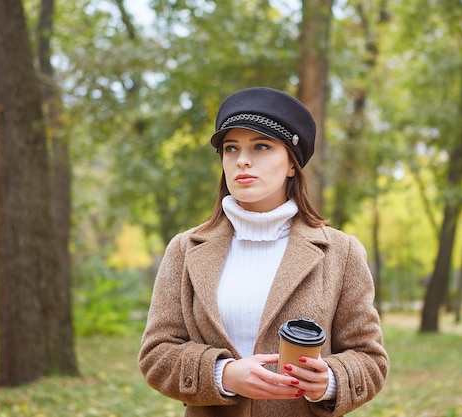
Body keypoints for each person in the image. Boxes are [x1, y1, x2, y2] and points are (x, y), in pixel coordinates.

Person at [138, 87, 389, 417]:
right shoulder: (185, 250)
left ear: (291, 165)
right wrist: (223, 375)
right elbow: (156, 353)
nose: (242, 159)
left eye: (261, 146)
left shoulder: (341, 253)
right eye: (231, 148)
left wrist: (328, 381)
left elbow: (369, 359)